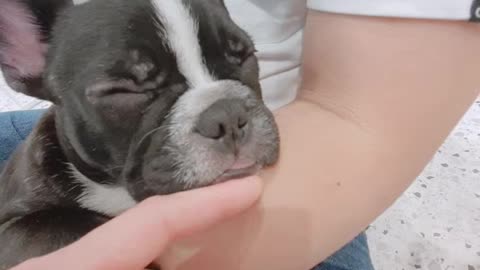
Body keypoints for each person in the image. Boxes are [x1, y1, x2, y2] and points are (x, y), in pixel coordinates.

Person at [2, 0, 480, 269]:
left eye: (238, 57)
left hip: (299, 182)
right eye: (129, 89)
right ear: (26, 63)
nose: (218, 115)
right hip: (101, 165)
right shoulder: (49, 170)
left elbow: (368, 125)